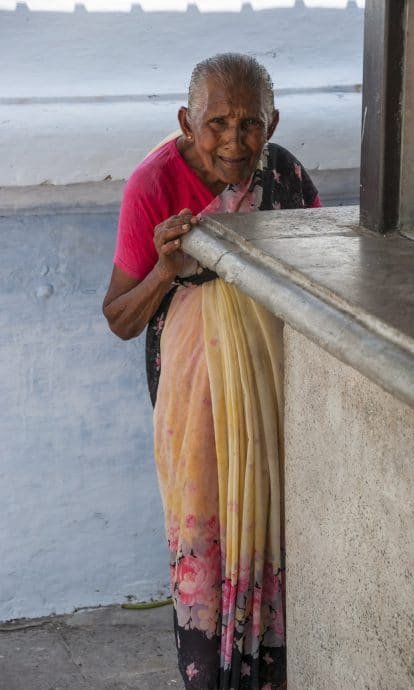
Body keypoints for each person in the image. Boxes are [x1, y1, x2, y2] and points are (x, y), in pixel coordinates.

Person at [103, 53, 320, 690]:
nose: (233, 139)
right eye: (216, 122)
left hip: (272, 391)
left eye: (249, 123)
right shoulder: (154, 184)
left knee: (273, 527)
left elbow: (320, 274)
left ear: (272, 123)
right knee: (206, 541)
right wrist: (167, 271)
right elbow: (118, 316)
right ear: (185, 121)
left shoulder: (283, 177)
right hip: (192, 404)